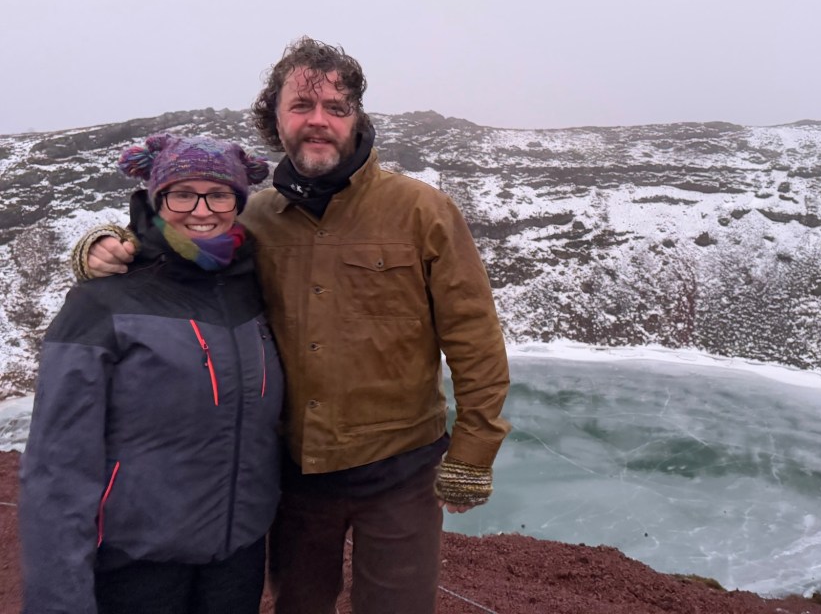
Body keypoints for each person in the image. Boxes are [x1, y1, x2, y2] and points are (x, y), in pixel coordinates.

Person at [76, 37, 512, 614]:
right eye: (301, 106)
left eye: (336, 107)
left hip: (402, 469)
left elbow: (474, 336)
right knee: (298, 605)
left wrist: (475, 449)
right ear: (275, 119)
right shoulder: (256, 217)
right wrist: (109, 247)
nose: (318, 120)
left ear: (356, 118)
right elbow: (183, 260)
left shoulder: (422, 210)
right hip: (293, 474)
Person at [21, 134, 283, 614]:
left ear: (239, 202)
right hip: (137, 565)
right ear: (157, 199)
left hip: (237, 558)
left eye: (219, 194)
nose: (201, 210)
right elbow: (57, 468)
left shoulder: (253, 285)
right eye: (182, 194)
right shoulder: (103, 300)